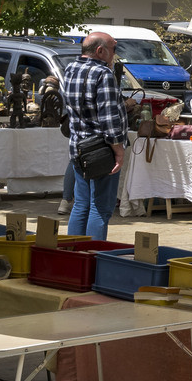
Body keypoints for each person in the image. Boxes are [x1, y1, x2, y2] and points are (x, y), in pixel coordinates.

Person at [60, 31, 128, 240]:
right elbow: (109, 118)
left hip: (78, 147)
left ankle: (74, 252)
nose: (114, 54)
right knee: (101, 207)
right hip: (102, 151)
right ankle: (93, 253)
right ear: (100, 51)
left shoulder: (71, 68)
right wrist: (118, 151)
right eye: (113, 49)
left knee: (81, 204)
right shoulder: (103, 74)